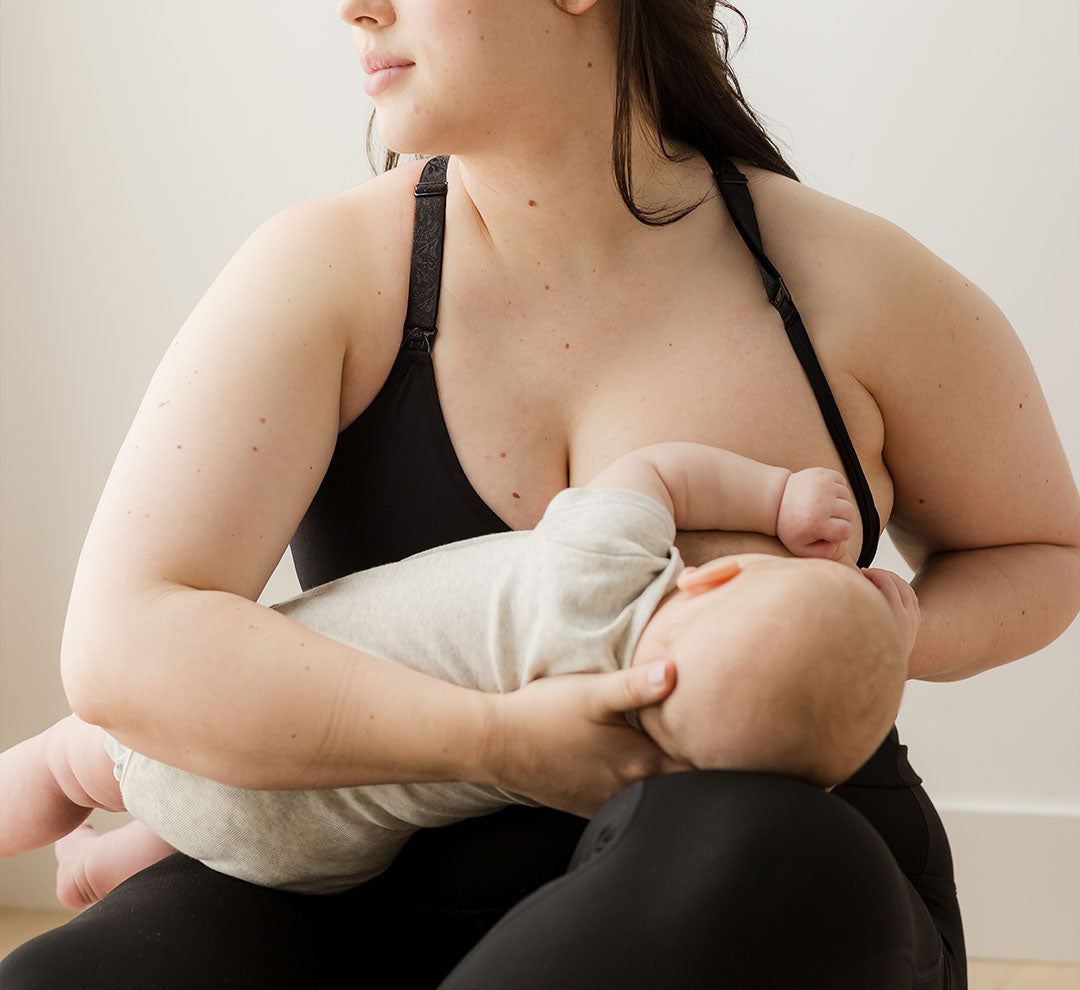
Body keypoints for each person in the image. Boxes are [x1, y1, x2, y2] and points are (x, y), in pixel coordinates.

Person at [4, 1, 1078, 987]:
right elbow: (123, 645)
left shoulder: (850, 284)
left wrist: (863, 633)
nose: (353, 7)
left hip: (753, 892)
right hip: (376, 881)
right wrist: (494, 740)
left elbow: (1044, 550)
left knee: (764, 847)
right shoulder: (330, 271)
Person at [0, 441, 914, 902]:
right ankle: (106, 871)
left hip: (241, 733)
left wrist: (777, 498)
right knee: (223, 819)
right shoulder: (631, 764)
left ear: (711, 577)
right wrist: (885, 646)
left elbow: (654, 469)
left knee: (72, 758)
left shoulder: (595, 570)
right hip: (317, 861)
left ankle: (62, 815)